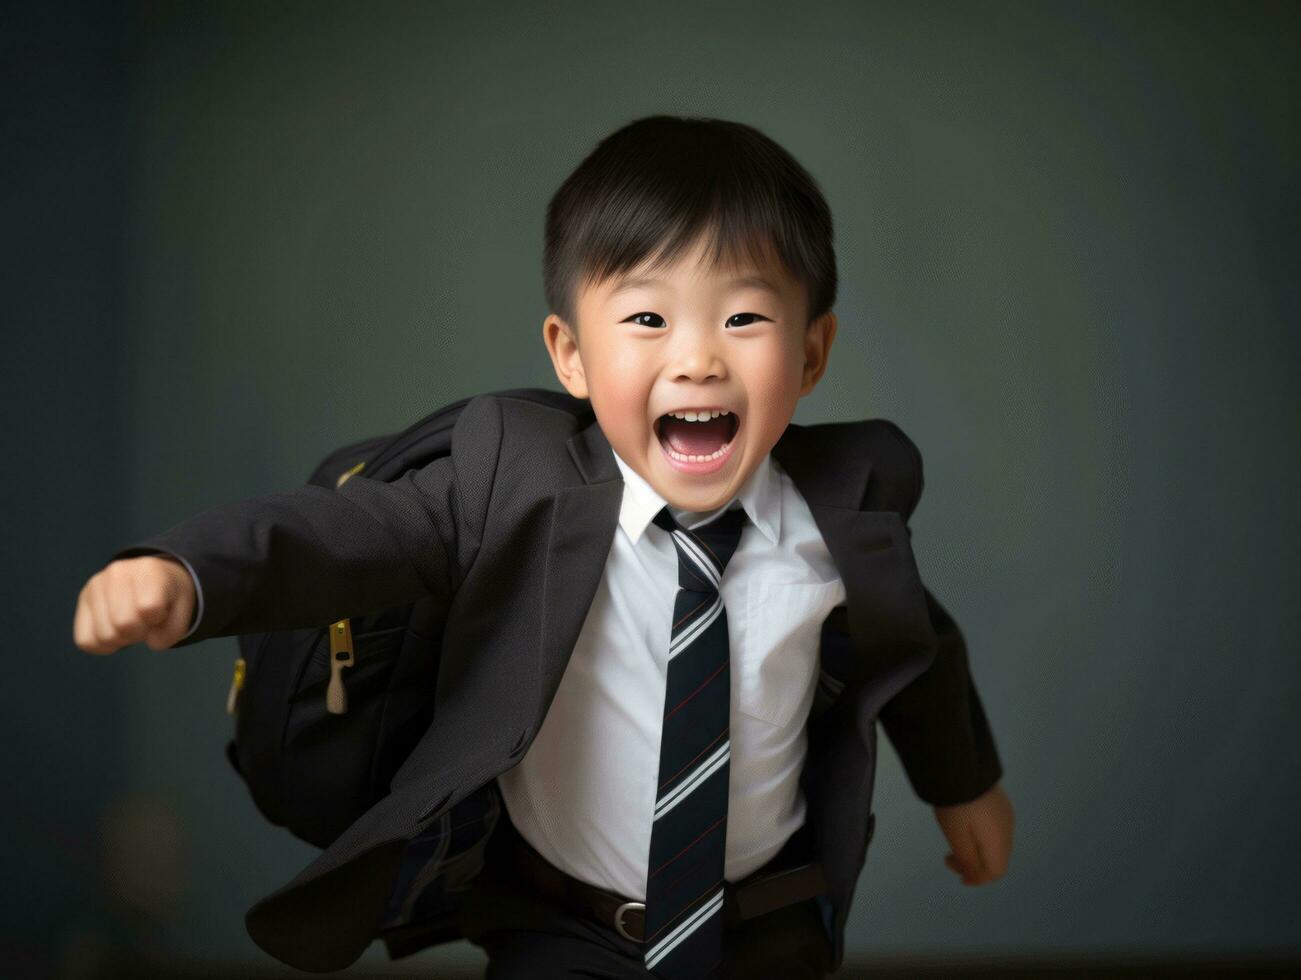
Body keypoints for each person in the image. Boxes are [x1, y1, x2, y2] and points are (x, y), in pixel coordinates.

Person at [73, 114, 1014, 978]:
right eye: (647, 318)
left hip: (765, 921)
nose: (697, 358)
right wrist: (188, 571)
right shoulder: (514, 484)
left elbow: (916, 647)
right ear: (570, 354)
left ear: (810, 355)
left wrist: (963, 785)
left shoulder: (839, 514)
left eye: (744, 317)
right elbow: (349, 534)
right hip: (560, 925)